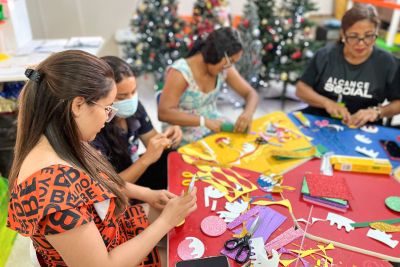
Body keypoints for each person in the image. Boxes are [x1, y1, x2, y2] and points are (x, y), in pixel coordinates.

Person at [7, 50, 197, 267]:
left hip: (110, 230)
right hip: (108, 255)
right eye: (107, 108)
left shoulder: (64, 142)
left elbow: (101, 180)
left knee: (189, 226)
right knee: (188, 257)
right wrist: (165, 222)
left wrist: (149, 194)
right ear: (78, 105)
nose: (109, 119)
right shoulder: (49, 187)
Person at [296, 4, 400, 128]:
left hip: (363, 127)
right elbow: (301, 89)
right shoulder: (325, 56)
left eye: (368, 36)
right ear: (343, 35)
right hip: (318, 120)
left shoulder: (388, 63)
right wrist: (326, 103)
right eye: (353, 36)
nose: (361, 44)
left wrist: (377, 112)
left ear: (376, 33)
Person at [91, 56, 182, 190]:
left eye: (133, 92)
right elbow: (106, 188)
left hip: (134, 168)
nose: (130, 99)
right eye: (121, 96)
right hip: (117, 185)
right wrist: (146, 159)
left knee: (169, 155)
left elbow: (154, 141)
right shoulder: (95, 128)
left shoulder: (135, 108)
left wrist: (169, 138)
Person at [158, 27, 259, 145]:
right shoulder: (181, 73)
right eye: (230, 61)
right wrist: (203, 121)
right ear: (217, 53)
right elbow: (164, 113)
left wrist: (248, 113)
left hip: (213, 126)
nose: (230, 66)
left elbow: (251, 94)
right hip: (181, 132)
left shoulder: (224, 68)